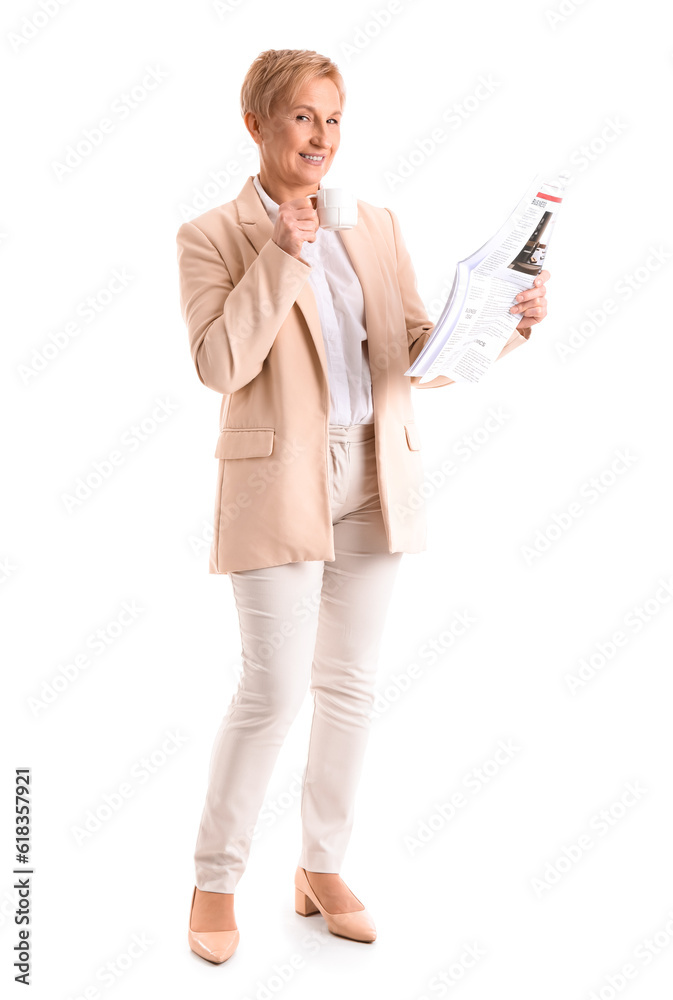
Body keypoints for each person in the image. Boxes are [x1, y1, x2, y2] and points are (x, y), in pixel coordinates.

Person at [176, 48, 550, 965]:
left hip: (373, 470)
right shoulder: (212, 235)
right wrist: (282, 252)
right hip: (276, 478)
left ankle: (318, 867)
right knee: (270, 690)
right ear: (257, 124)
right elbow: (221, 365)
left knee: (348, 687)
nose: (321, 137)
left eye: (334, 119)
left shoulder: (375, 224)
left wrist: (505, 325)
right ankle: (214, 881)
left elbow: (415, 350)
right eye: (303, 117)